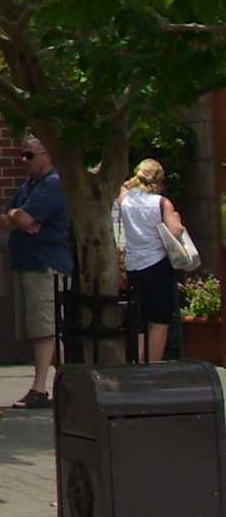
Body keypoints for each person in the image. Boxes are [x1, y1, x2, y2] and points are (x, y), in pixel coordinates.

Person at [3, 136, 72, 407]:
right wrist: (15, 216)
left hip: (46, 266)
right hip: (28, 265)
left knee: (46, 330)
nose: (24, 160)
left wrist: (17, 217)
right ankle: (67, 386)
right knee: (43, 329)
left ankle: (41, 389)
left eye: (29, 155)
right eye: (22, 155)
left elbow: (23, 218)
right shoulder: (28, 187)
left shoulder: (52, 185)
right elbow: (6, 219)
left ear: (47, 155)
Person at [117, 156, 189, 364]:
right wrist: (177, 220)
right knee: (159, 320)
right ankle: (152, 365)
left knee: (140, 320)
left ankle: (139, 362)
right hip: (157, 265)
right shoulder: (161, 203)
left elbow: (123, 187)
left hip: (133, 265)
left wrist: (131, 182)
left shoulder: (125, 201)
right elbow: (175, 231)